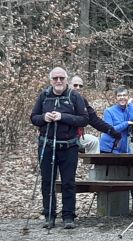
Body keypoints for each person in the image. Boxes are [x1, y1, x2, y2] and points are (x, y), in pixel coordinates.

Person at [30, 67, 89, 229]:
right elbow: (33, 118)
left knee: (68, 182)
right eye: (55, 78)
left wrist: (63, 117)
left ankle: (68, 217)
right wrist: (44, 117)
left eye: (61, 78)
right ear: (50, 80)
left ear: (66, 79)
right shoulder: (44, 96)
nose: (58, 81)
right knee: (47, 182)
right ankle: (49, 216)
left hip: (69, 146)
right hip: (47, 146)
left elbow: (84, 119)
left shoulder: (74, 96)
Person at [99, 86, 133, 213]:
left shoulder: (129, 109)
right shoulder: (109, 111)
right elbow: (111, 129)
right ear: (116, 98)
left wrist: (131, 105)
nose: (122, 98)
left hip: (125, 148)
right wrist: (126, 123)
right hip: (109, 148)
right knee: (115, 174)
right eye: (119, 96)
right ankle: (112, 207)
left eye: (124, 95)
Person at [70, 76, 121, 155]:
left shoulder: (82, 101)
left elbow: (94, 120)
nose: (78, 88)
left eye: (80, 86)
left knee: (94, 141)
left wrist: (111, 130)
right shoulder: (61, 98)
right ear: (69, 84)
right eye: (75, 85)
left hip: (77, 137)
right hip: (59, 136)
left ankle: (94, 167)